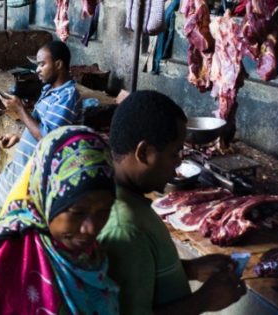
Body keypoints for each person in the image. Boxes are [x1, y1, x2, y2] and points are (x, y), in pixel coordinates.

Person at [0, 126, 119, 315]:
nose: (91, 228)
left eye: (104, 210)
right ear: (45, 196)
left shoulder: (91, 257)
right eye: (78, 212)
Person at [99, 90, 246, 314]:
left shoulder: (129, 201)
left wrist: (190, 269)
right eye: (175, 153)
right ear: (144, 152)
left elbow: (141, 272)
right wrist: (203, 301)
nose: (178, 164)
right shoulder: (124, 228)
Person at [0, 40, 82, 233]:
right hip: (10, 177)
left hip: (26, 187)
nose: (37, 69)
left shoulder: (68, 97)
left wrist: (20, 109)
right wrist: (20, 136)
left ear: (59, 65)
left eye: (42, 64)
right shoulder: (49, 90)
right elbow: (41, 127)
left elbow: (49, 139)